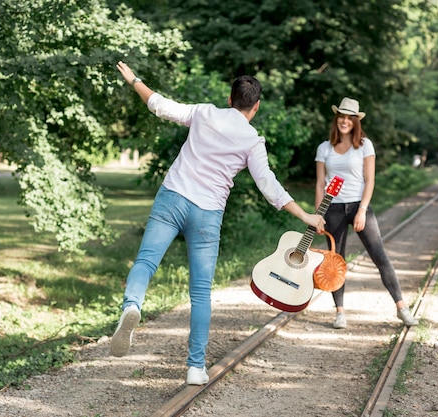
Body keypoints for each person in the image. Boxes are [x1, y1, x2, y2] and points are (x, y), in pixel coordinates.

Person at [112, 61, 326, 385]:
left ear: (230, 98)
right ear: (255, 106)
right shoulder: (253, 141)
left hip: (172, 197)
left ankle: (132, 305)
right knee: (200, 292)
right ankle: (195, 367)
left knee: (145, 261)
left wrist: (135, 80)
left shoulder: (204, 113)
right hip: (207, 214)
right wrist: (306, 216)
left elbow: (159, 105)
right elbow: (269, 186)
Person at [314, 97, 419, 329]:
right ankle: (340, 312)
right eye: (340, 116)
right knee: (335, 262)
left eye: (348, 117)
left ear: (355, 121)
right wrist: (318, 215)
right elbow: (321, 184)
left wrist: (362, 209)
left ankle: (402, 308)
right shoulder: (324, 148)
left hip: (359, 206)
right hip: (332, 209)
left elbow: (370, 180)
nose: (344, 121)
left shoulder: (364, 145)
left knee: (379, 256)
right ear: (336, 119)